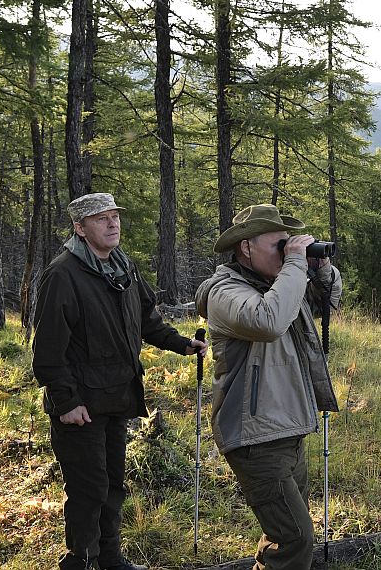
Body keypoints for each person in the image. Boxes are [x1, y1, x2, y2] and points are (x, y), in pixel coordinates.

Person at [32, 193, 208, 570]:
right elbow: (47, 352)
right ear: (80, 228)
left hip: (118, 397)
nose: (113, 224)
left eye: (114, 216)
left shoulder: (123, 267)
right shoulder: (63, 274)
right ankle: (81, 561)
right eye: (101, 219)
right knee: (88, 488)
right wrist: (66, 402)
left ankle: (110, 559)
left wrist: (181, 344)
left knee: (113, 484)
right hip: (81, 406)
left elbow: (147, 319)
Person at [195, 203, 341, 570]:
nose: (288, 252)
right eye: (279, 245)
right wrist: (293, 265)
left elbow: (328, 304)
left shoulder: (277, 285)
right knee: (295, 538)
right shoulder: (224, 292)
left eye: (289, 244)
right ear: (246, 247)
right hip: (254, 436)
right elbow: (268, 320)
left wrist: (320, 270)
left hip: (288, 427)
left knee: (281, 534)